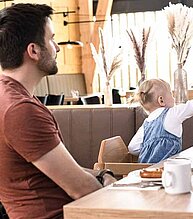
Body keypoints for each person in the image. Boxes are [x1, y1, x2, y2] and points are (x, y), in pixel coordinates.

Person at [0, 4, 116, 219]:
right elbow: (81, 188)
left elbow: (65, 170)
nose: (58, 47)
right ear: (33, 51)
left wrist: (102, 173)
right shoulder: (21, 110)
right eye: (52, 39)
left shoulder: (10, 97)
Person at [128, 78, 193, 163]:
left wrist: (150, 149)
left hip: (144, 173)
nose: (173, 97)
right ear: (161, 100)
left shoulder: (146, 124)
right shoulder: (173, 113)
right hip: (168, 172)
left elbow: (132, 148)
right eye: (171, 94)